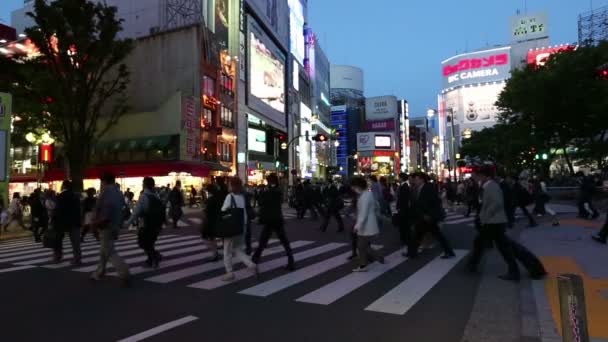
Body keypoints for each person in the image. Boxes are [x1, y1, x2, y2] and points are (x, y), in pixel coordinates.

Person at [467, 167, 521, 282]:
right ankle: (471, 266)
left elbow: (497, 203)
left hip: (493, 222)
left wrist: (484, 216)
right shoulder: (487, 186)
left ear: (484, 176)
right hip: (492, 222)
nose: (475, 178)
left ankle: (514, 272)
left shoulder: (492, 186)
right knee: (483, 244)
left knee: (502, 248)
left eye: (476, 176)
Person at [90, 172, 131, 287]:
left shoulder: (105, 193)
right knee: (105, 250)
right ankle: (99, 272)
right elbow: (124, 208)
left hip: (106, 225)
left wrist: (95, 223)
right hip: (115, 224)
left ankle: (124, 273)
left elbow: (103, 210)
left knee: (109, 251)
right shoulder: (118, 192)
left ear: (104, 181)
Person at [407, 172, 455, 259]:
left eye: (417, 179)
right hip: (424, 217)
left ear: (422, 179)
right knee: (420, 234)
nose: (415, 181)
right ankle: (411, 252)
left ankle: (411, 252)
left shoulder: (429, 187)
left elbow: (434, 202)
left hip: (429, 216)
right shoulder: (419, 188)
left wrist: (429, 214)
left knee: (427, 234)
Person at [252, 174, 296, 271]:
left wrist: (262, 192)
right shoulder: (279, 190)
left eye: (268, 181)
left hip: (270, 219)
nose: (267, 183)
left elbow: (261, 201)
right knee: (284, 241)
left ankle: (255, 259)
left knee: (263, 240)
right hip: (277, 219)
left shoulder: (269, 191)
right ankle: (291, 261)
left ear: (270, 181)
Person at [221, 177, 257, 281]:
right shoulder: (243, 197)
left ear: (232, 186)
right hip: (242, 227)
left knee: (227, 251)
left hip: (230, 228)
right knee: (237, 249)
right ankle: (251, 264)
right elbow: (245, 214)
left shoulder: (229, 197)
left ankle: (229, 273)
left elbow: (223, 211)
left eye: (229, 184)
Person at [125, 177, 165, 268]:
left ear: (144, 185)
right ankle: (151, 260)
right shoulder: (156, 195)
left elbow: (136, 212)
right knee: (150, 242)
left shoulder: (144, 196)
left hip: (146, 224)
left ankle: (155, 256)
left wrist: (127, 223)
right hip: (156, 224)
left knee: (143, 242)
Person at [351, 177, 385, 272]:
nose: (353, 189)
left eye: (353, 187)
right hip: (368, 224)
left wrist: (357, 226)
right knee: (363, 246)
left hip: (366, 226)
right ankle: (375, 258)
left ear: (358, 186)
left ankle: (364, 264)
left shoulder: (365, 196)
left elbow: (363, 213)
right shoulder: (367, 194)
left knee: (361, 246)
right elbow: (374, 206)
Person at [54, 180, 82, 265]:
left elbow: (57, 210)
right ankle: (77, 258)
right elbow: (79, 209)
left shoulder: (60, 196)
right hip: (74, 221)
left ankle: (58, 256)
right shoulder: (76, 196)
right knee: (75, 242)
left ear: (63, 186)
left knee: (58, 240)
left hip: (62, 221)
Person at [201, 184, 222, 261]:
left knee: (207, 237)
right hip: (216, 220)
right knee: (211, 237)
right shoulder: (218, 197)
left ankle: (215, 253)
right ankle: (215, 252)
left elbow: (207, 211)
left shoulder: (211, 199)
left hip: (210, 221)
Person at [395, 173, 411, 256]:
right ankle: (405, 239)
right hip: (403, 208)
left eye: (399, 177)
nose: (398, 178)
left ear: (401, 178)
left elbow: (403, 199)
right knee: (403, 225)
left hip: (403, 209)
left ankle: (405, 240)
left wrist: (400, 207)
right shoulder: (404, 186)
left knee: (403, 225)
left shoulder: (404, 187)